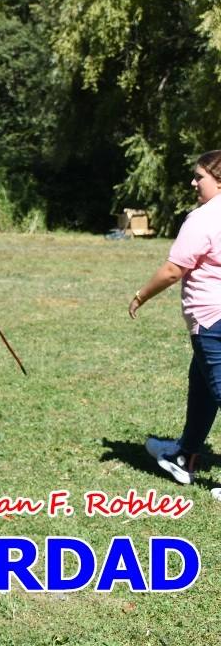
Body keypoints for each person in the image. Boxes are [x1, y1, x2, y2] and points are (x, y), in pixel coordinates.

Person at [131, 151, 221, 496]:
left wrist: (140, 296)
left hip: (212, 320)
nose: (194, 183)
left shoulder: (203, 218)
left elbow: (173, 270)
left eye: (200, 176)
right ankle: (184, 455)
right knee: (201, 386)